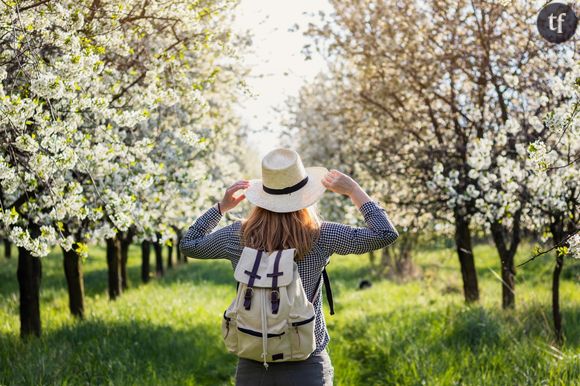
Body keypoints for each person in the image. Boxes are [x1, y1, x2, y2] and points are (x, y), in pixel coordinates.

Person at [179, 147, 399, 386]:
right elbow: (384, 233)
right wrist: (354, 190)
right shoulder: (320, 236)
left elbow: (189, 244)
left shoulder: (237, 236)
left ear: (263, 194)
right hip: (306, 361)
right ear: (305, 195)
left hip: (254, 358)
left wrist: (220, 208)